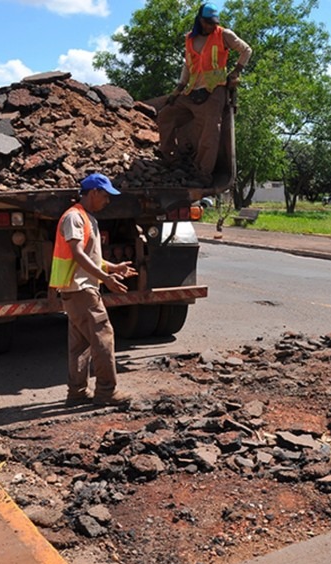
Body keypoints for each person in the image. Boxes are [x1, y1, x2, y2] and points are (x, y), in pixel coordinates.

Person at [50, 173, 137, 407]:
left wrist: (113, 267)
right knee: (103, 338)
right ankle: (106, 392)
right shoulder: (74, 218)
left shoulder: (87, 219)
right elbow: (77, 254)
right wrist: (106, 279)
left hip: (79, 290)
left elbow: (90, 257)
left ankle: (77, 392)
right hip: (80, 290)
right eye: (105, 196)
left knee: (80, 344)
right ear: (94, 192)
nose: (107, 201)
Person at [157, 2, 252, 187]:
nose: (211, 26)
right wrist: (178, 89)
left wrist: (236, 71)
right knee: (165, 116)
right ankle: (172, 161)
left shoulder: (224, 34)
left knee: (210, 132)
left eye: (214, 22)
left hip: (214, 90)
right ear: (200, 20)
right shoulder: (190, 39)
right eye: (208, 22)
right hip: (192, 90)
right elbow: (187, 65)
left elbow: (246, 50)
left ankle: (202, 175)